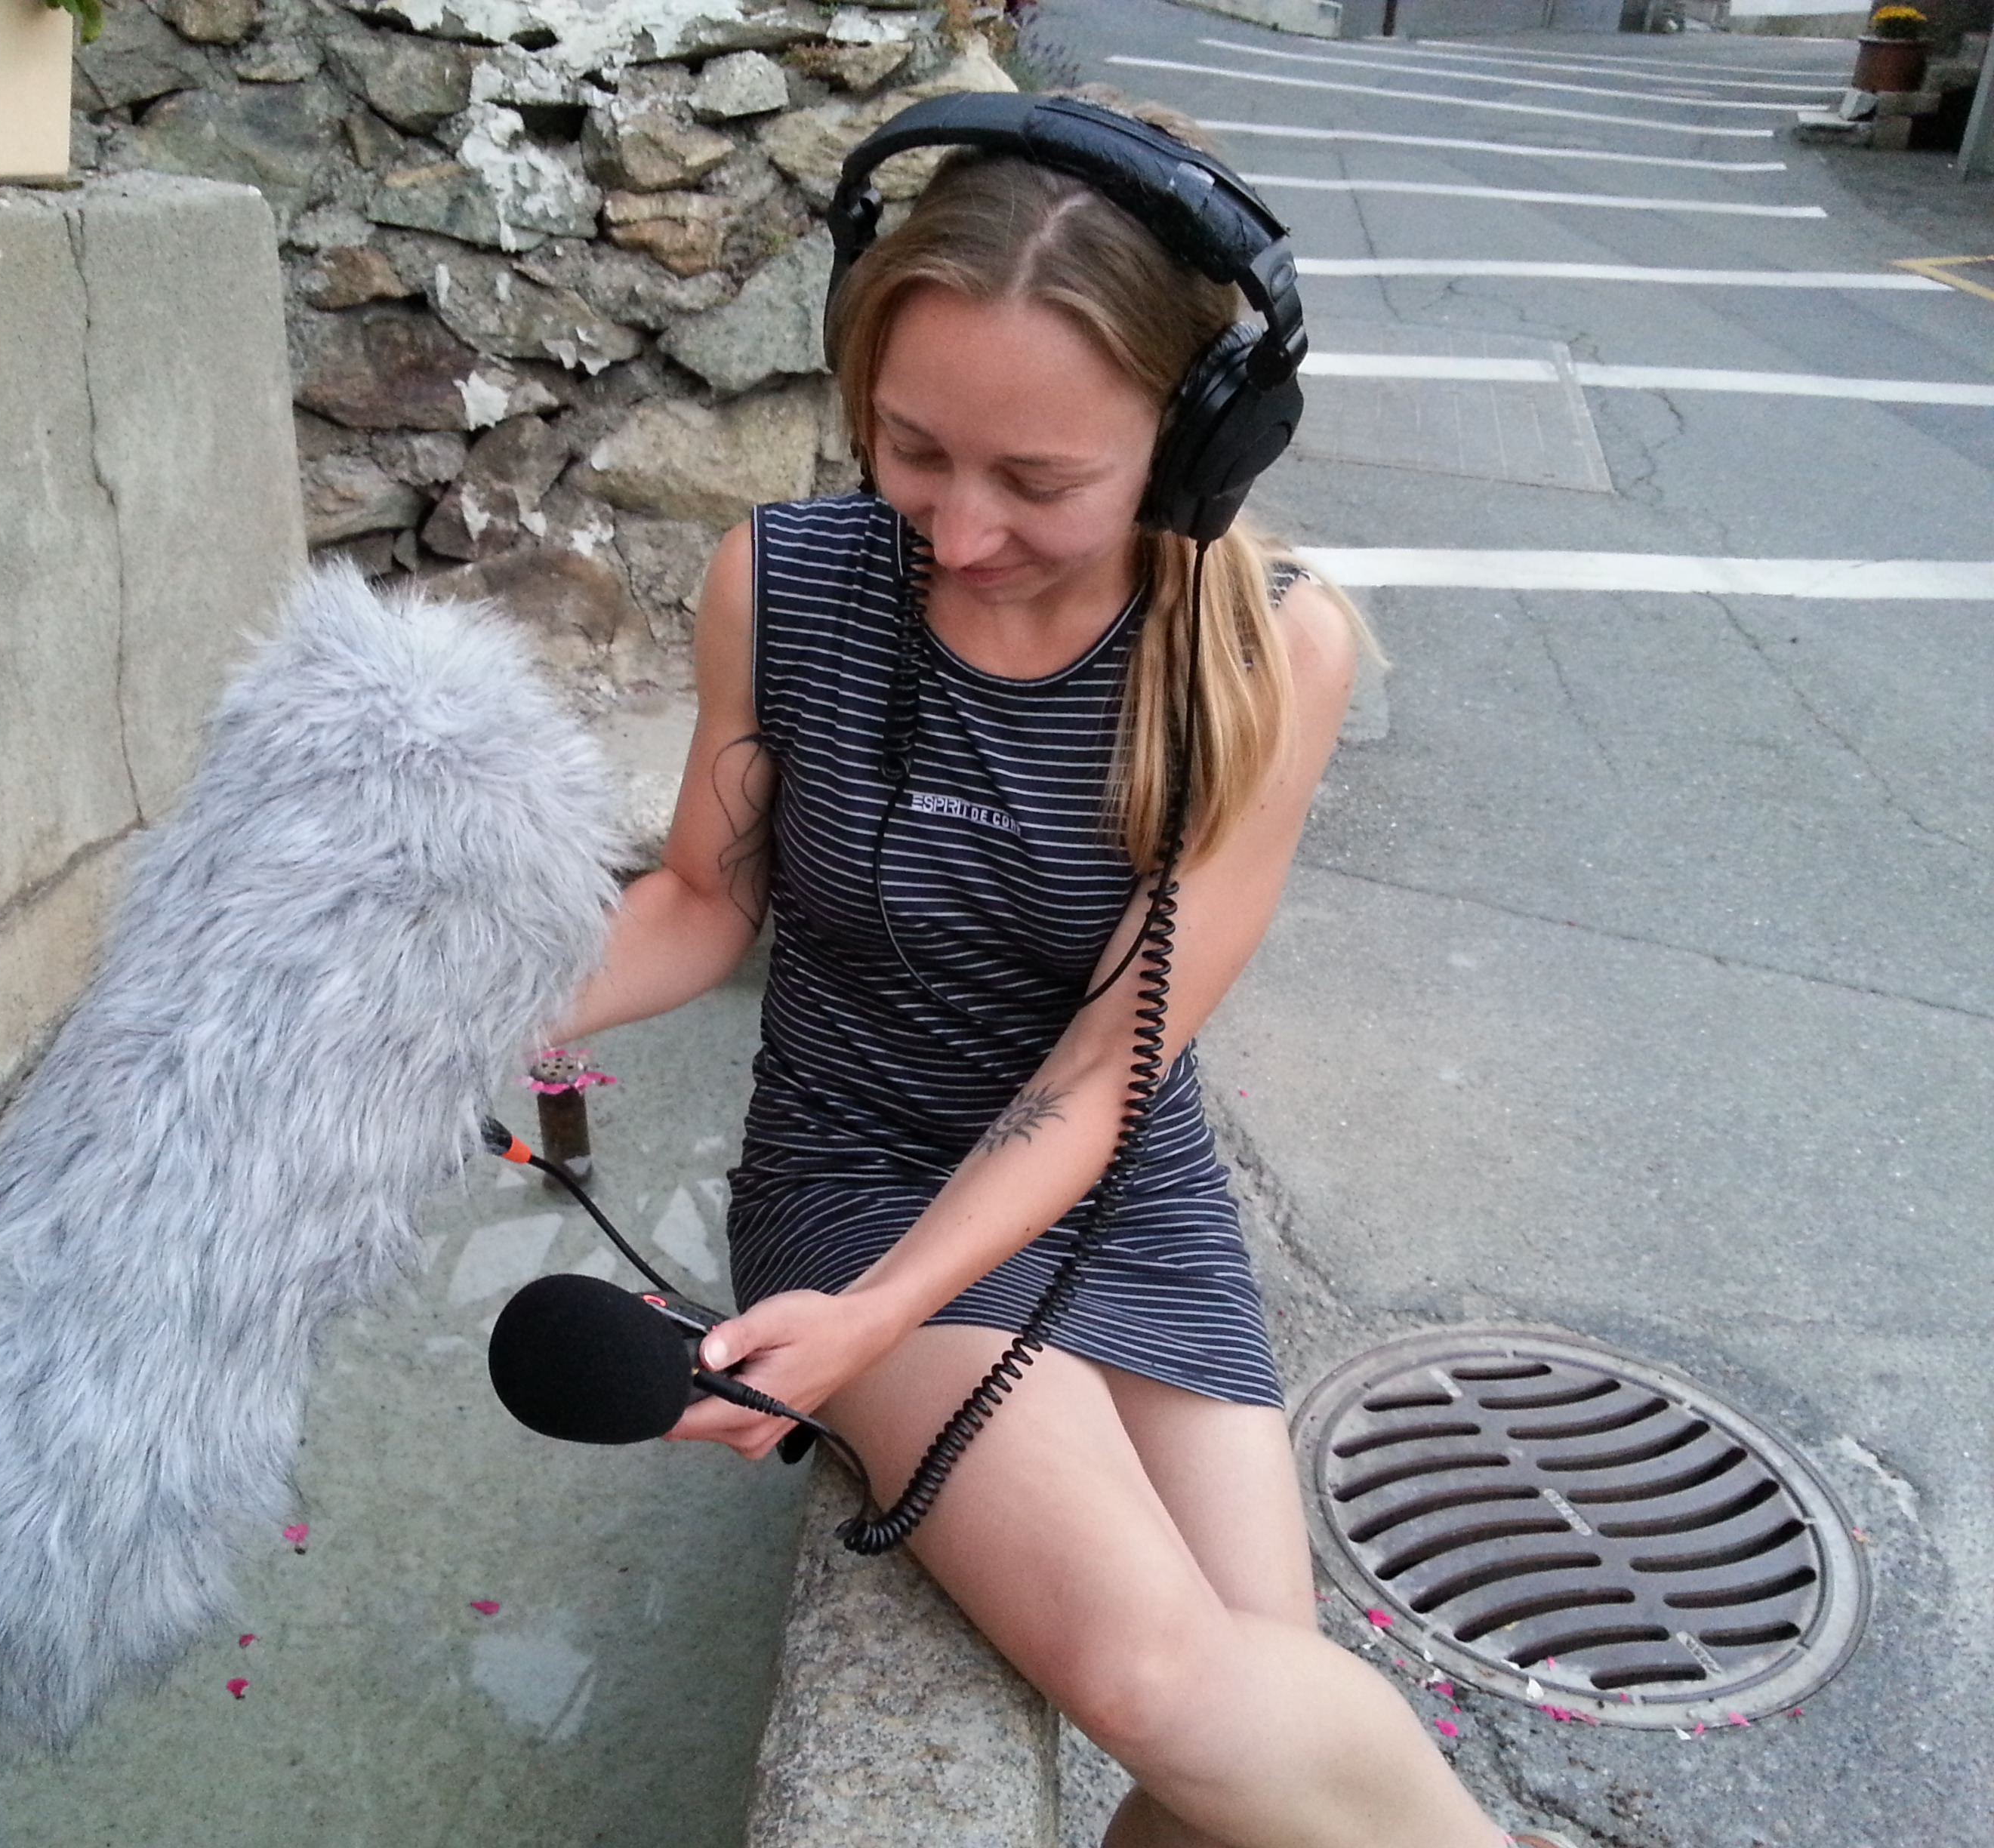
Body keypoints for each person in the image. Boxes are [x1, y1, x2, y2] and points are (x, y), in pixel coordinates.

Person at [551, 106, 1567, 1848]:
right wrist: (448, 1008)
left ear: (1194, 447)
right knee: (1175, 1685)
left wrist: (873, 1335)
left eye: (1040, 483)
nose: (954, 532)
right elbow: (705, 901)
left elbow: (1108, 1074)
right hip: (856, 1176)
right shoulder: (777, 583)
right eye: (912, 448)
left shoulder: (1263, 651)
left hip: (1119, 1190)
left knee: (1243, 1741)